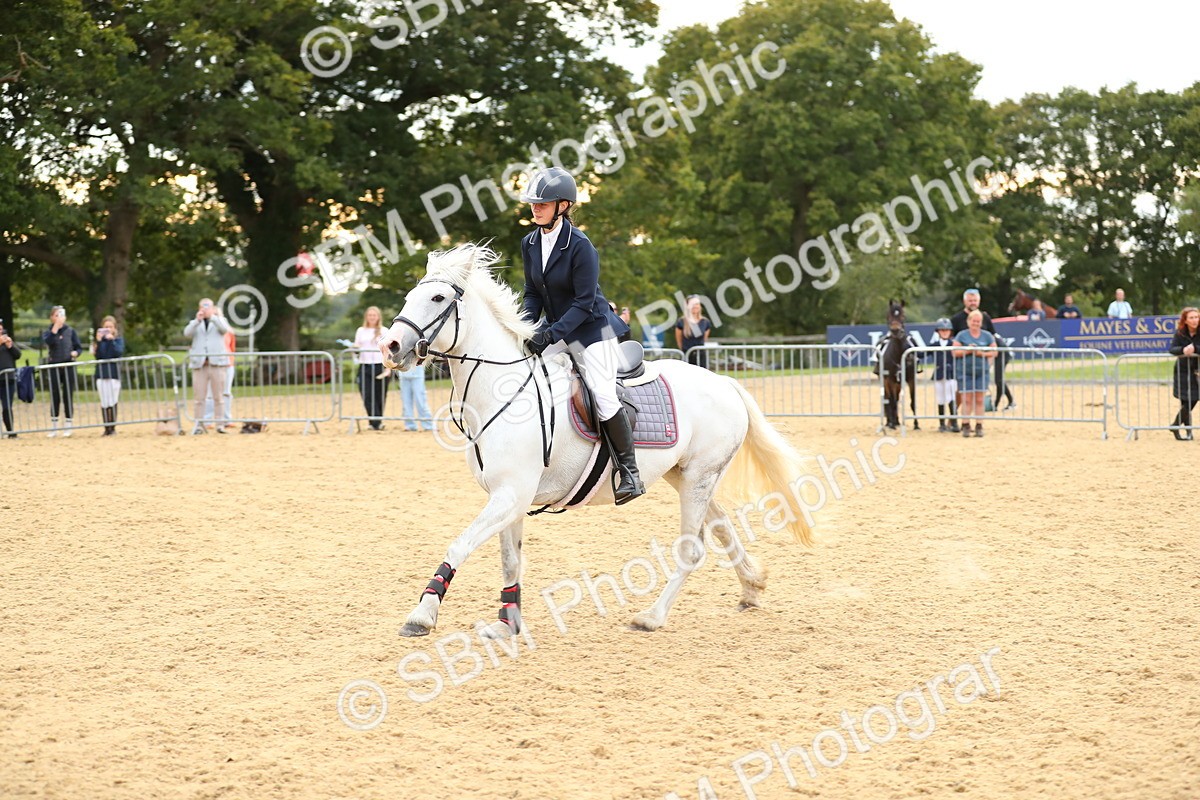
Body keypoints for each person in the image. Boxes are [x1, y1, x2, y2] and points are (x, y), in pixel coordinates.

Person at [519, 166, 644, 504]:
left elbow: (584, 303)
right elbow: (532, 292)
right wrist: (528, 327)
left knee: (602, 394)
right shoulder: (529, 242)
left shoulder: (581, 246)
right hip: (558, 327)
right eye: (533, 203)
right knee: (523, 371)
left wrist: (549, 335)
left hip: (593, 329)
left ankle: (629, 471)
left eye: (542, 203)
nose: (535, 208)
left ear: (563, 206)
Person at [184, 297, 232, 434]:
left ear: (213, 308)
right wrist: (196, 321)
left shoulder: (220, 321)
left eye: (208, 307)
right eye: (203, 307)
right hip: (200, 364)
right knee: (199, 397)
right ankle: (199, 425)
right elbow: (187, 333)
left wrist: (213, 318)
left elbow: (224, 330)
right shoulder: (195, 323)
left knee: (219, 396)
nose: (205, 310)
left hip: (217, 363)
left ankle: (220, 425)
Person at [953, 310, 996, 437]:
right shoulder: (961, 335)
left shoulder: (987, 336)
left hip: (981, 371)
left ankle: (979, 425)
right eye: (973, 321)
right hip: (964, 371)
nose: (975, 323)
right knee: (966, 399)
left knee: (979, 399)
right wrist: (967, 351)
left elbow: (995, 351)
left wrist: (980, 353)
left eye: (978, 321)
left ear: (981, 323)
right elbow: (955, 352)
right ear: (968, 321)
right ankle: (965, 424)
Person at [42, 305, 82, 437]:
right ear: (52, 317)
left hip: (68, 365)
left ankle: (68, 425)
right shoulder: (49, 332)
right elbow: (50, 342)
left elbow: (78, 347)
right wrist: (55, 328)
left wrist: (76, 352)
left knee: (68, 394)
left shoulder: (70, 331)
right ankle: (54, 426)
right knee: (55, 395)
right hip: (54, 365)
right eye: (56, 315)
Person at [353, 306, 391, 430]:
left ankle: (377, 421)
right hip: (365, 365)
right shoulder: (360, 330)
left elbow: (389, 350)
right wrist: (354, 348)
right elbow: (357, 344)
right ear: (366, 317)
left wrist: (388, 368)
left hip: (380, 365)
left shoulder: (384, 330)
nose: (372, 317)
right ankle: (373, 421)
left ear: (378, 317)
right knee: (367, 394)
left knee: (380, 394)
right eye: (370, 315)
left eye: (374, 315)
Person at [1168, 306, 1200, 441]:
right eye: (1191, 318)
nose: (1195, 320)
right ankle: (1188, 432)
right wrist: (1183, 349)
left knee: (1194, 398)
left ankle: (1175, 424)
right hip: (1182, 370)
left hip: (1197, 370)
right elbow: (1172, 349)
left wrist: (1195, 348)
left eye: (1197, 317)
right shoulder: (1180, 333)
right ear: (1185, 320)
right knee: (1185, 400)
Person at [92, 315, 125, 436]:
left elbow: (118, 352)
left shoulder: (118, 340)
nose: (108, 329)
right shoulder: (100, 342)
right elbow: (100, 355)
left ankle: (113, 427)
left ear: (114, 328)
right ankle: (106, 427)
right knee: (104, 401)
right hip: (101, 373)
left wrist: (111, 341)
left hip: (113, 374)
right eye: (106, 327)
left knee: (113, 400)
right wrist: (100, 342)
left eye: (110, 327)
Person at [929, 318, 959, 432]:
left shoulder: (954, 344)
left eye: (947, 330)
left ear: (950, 331)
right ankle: (942, 423)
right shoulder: (934, 345)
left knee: (951, 397)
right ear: (938, 331)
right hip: (939, 374)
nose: (945, 332)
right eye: (942, 330)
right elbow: (922, 353)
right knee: (940, 398)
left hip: (951, 374)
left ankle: (954, 423)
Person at [675, 295, 712, 369]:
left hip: (700, 356)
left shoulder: (705, 322)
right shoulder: (681, 322)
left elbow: (704, 338)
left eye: (697, 304)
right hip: (687, 355)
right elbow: (679, 340)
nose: (695, 306)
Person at [399, 364, 435, 432]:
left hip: (417, 374)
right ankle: (410, 425)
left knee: (420, 400)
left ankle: (428, 425)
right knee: (406, 401)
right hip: (403, 374)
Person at [0, 320, 20, 439]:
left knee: (7, 406)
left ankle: (10, 431)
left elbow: (18, 355)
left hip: (8, 379)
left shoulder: (6, 341)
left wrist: (10, 346)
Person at [993, 334, 1015, 411]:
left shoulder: (989, 334)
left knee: (999, 380)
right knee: (998, 381)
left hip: (1002, 356)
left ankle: (1011, 401)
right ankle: (996, 404)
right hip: (1002, 356)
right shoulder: (994, 335)